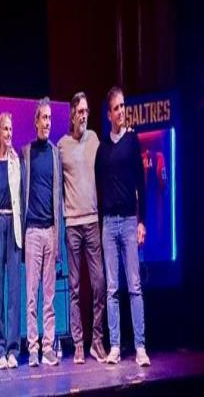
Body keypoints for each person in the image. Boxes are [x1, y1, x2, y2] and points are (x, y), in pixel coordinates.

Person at [95, 87, 150, 367]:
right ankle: (115, 346)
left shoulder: (132, 141)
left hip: (129, 221)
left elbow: (142, 183)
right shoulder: (103, 149)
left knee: (135, 286)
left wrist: (142, 221)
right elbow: (98, 186)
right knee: (112, 288)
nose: (121, 111)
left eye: (123, 106)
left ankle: (140, 347)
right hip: (109, 223)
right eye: (116, 108)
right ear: (109, 114)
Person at [57, 92, 107, 364]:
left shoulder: (95, 140)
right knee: (74, 287)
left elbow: (109, 160)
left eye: (87, 111)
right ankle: (78, 343)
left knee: (99, 283)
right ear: (72, 115)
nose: (84, 116)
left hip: (92, 221)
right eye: (80, 112)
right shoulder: (62, 146)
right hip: (72, 225)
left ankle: (96, 340)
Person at [21, 97, 63, 367]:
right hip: (32, 232)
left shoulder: (56, 154)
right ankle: (33, 348)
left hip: (50, 231)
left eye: (50, 118)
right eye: (43, 118)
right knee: (32, 297)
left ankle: (48, 347)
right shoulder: (26, 153)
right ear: (36, 121)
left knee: (49, 296)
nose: (47, 122)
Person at [0, 113, 23, 369]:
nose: (8, 133)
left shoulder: (16, 162)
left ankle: (12, 349)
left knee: (14, 292)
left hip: (14, 226)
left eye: (11, 129)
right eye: (5, 129)